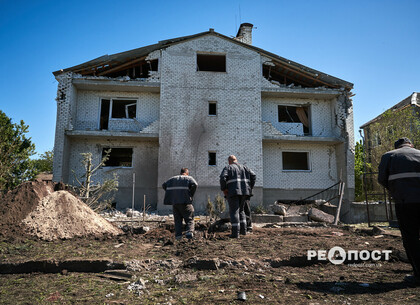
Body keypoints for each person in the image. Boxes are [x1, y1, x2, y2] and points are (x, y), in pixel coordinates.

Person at [378, 137, 420, 287]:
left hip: (405, 202)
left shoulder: (389, 156)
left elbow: (382, 179)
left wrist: (395, 190)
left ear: (397, 146)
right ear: (411, 145)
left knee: (411, 238)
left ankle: (418, 275)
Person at [220, 155, 256, 238]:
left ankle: (235, 234)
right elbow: (253, 176)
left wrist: (224, 189)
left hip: (233, 192)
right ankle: (243, 231)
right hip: (244, 193)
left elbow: (222, 178)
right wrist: (249, 187)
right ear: (236, 160)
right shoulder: (244, 167)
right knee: (241, 211)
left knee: (234, 212)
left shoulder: (228, 167)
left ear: (229, 161)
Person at [162, 168, 198, 240]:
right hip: (185, 202)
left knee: (178, 220)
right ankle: (189, 233)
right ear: (187, 173)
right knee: (189, 218)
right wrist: (190, 194)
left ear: (180, 172)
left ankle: (178, 236)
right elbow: (195, 184)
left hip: (175, 203)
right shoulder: (188, 178)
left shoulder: (172, 179)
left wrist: (171, 193)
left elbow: (164, 185)